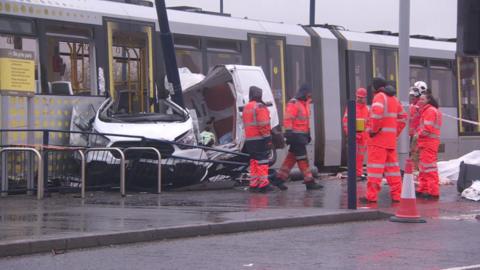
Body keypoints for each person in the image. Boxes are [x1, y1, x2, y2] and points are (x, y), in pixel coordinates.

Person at [361, 78, 407, 203]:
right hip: (390, 142)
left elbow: (376, 115)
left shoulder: (379, 97)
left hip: (378, 141)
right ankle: (397, 195)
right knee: (393, 171)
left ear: (376, 87)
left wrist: (373, 130)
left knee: (375, 170)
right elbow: (403, 117)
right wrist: (394, 133)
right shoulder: (394, 99)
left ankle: (371, 196)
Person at [271, 84, 323, 190]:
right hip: (295, 136)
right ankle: (309, 181)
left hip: (301, 136)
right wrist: (289, 133)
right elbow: (288, 119)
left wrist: (308, 133)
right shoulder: (294, 103)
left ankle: (278, 179)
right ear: (304, 92)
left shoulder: (305, 104)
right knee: (303, 159)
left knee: (291, 159)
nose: (310, 95)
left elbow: (306, 121)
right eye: (308, 93)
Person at [242, 86, 273, 192]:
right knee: (263, 161)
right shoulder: (259, 106)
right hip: (260, 139)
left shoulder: (247, 107)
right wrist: (268, 138)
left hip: (250, 140)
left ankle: (254, 184)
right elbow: (263, 124)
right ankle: (264, 185)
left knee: (254, 162)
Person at [415, 93, 442, 200]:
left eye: (422, 99)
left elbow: (426, 129)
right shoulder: (431, 110)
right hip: (427, 143)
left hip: (428, 143)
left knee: (429, 168)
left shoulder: (429, 111)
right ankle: (423, 189)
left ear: (428, 100)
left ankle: (433, 192)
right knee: (424, 168)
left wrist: (417, 135)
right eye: (420, 99)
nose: (420, 101)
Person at [342, 88, 369, 180]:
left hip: (363, 138)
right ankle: (355, 174)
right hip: (355, 137)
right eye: (358, 97)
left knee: (360, 157)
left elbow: (368, 123)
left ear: (365, 98)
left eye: (362, 97)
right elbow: (345, 122)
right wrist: (351, 134)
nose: (360, 99)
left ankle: (358, 173)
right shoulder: (351, 107)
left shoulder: (366, 109)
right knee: (354, 157)